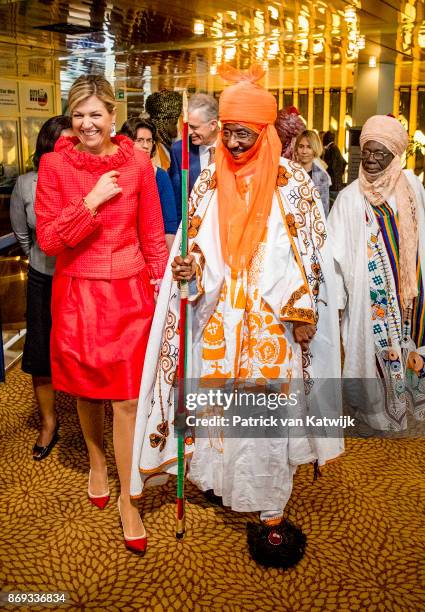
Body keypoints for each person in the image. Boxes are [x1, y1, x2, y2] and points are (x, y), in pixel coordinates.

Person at [131, 65, 343, 568]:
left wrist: (302, 308)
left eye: (244, 132)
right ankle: (222, 484)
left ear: (265, 130)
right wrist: (189, 267)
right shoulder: (206, 180)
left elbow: (312, 257)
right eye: (228, 131)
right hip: (219, 321)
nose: (234, 141)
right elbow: (198, 249)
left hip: (272, 327)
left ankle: (270, 511)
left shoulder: (294, 185)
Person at [35, 75, 169, 554]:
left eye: (96, 114)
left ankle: (130, 497)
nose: (88, 123)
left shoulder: (139, 165)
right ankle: (96, 462)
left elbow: (153, 236)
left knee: (129, 400)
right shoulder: (54, 165)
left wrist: (162, 291)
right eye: (79, 115)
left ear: (114, 117)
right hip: (78, 293)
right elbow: (49, 240)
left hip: (130, 295)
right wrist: (89, 202)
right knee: (88, 393)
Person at [328, 115, 425, 431]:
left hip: (409, 296)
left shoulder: (412, 189)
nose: (369, 159)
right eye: (366, 151)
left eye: (379, 153)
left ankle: (406, 406)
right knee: (368, 357)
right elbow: (333, 256)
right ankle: (371, 411)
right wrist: (336, 299)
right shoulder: (348, 198)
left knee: (408, 350)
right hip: (367, 302)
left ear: (396, 155)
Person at [10, 115, 72, 460]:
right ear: (46, 147)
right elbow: (23, 235)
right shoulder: (25, 184)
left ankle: (90, 416)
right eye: (61, 143)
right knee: (39, 354)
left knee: (81, 351)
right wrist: (39, 258)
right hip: (42, 277)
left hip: (79, 279)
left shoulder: (83, 181)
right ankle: (49, 422)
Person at [119, 117, 178, 250]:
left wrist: (169, 264)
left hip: (153, 249)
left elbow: (169, 224)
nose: (145, 146)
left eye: (149, 141)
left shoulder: (160, 176)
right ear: (126, 142)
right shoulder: (116, 174)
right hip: (123, 250)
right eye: (139, 140)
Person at [169, 93, 220, 224]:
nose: (189, 132)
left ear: (213, 125)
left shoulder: (232, 148)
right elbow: (177, 200)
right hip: (192, 230)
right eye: (188, 126)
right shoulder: (179, 151)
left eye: (195, 127)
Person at [293, 130, 331, 216]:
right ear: (296, 148)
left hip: (312, 224)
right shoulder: (289, 172)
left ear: (315, 149)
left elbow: (324, 209)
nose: (304, 151)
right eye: (301, 146)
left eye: (309, 147)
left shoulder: (322, 177)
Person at [145, 90, 182, 170]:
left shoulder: (169, 140)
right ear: (167, 121)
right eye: (176, 120)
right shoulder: (149, 142)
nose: (177, 124)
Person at [322, 131, 346, 204]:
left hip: (333, 185)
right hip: (336, 184)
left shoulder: (331, 149)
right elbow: (344, 162)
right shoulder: (334, 147)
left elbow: (331, 166)